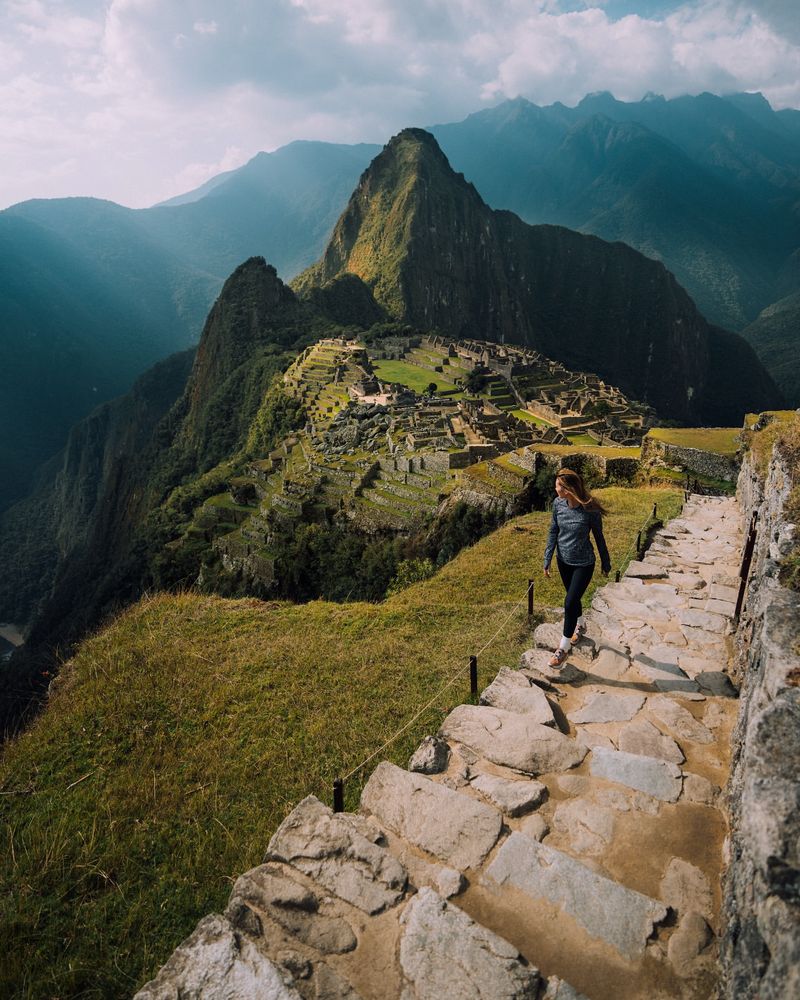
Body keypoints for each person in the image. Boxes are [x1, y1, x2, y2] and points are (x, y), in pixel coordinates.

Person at [543, 468, 611, 667]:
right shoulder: (558, 504)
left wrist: (606, 563)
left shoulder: (590, 509)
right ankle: (580, 626)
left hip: (584, 563)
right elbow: (553, 530)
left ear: (568, 488)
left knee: (569, 601)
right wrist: (547, 558)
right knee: (574, 601)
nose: (555, 489)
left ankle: (563, 648)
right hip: (563, 560)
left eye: (558, 486)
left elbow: (599, 537)